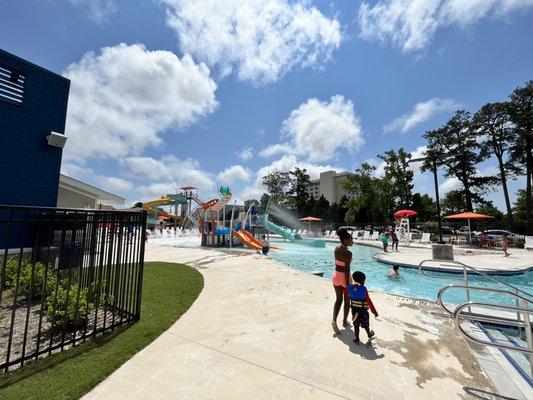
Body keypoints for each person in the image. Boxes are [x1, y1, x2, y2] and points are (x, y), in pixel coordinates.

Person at [332, 228, 353, 334]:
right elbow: (347, 269)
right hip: (345, 278)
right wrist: (348, 284)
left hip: (335, 277)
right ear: (346, 240)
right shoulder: (348, 253)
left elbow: (338, 265)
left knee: (338, 300)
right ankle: (344, 322)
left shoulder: (336, 249)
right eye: (351, 239)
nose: (352, 241)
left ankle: (334, 320)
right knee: (347, 301)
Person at [347, 271, 378, 344]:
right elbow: (369, 301)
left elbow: (345, 293)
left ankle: (357, 339)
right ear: (361, 280)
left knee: (356, 325)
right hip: (363, 311)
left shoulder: (349, 287)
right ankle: (369, 334)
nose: (364, 281)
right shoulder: (363, 289)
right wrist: (374, 312)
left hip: (354, 311)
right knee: (366, 324)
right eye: (364, 280)